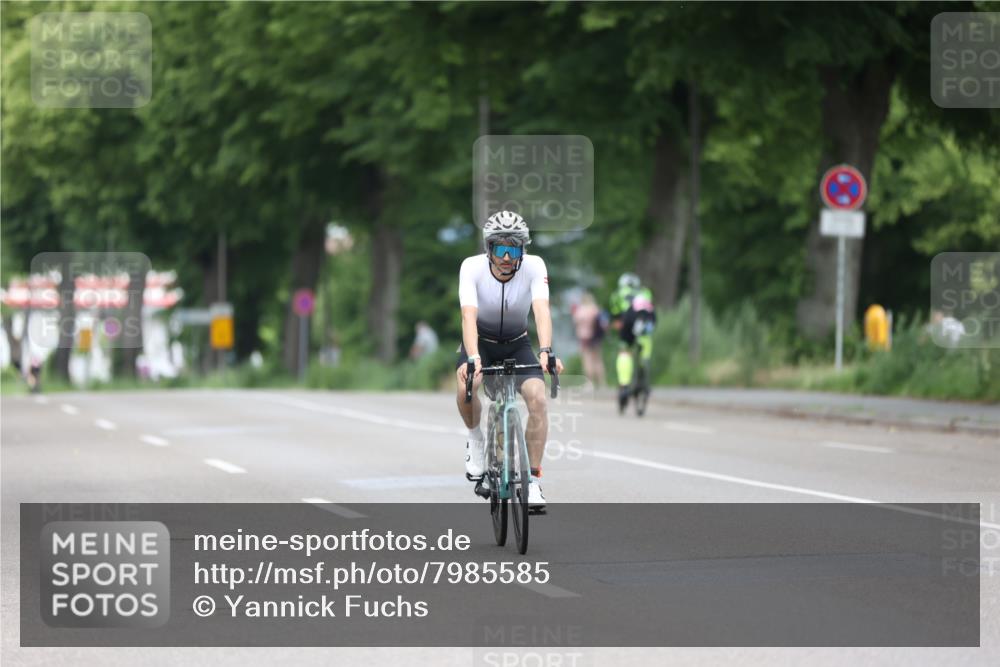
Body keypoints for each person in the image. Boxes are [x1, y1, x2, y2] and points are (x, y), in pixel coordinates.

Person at [456, 210, 563, 511]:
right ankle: (476, 440)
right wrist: (474, 357)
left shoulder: (534, 266)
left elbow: (541, 310)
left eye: (513, 249)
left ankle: (533, 481)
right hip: (481, 342)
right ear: (488, 248)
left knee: (538, 400)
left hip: (518, 343)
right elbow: (468, 315)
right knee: (468, 383)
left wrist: (546, 351)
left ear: (522, 250)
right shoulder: (471, 268)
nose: (506, 257)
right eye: (500, 248)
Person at [609, 273, 656, 413]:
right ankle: (644, 363)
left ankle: (624, 386)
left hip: (628, 321)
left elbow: (616, 318)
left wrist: (617, 325)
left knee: (624, 352)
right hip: (648, 319)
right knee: (645, 344)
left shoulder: (618, 294)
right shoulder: (646, 292)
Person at [572, 292, 606, 388]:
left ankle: (589, 383)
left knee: (587, 360)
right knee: (598, 360)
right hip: (596, 338)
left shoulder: (580, 311)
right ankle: (602, 382)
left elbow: (576, 322)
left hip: (584, 337)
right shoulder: (595, 309)